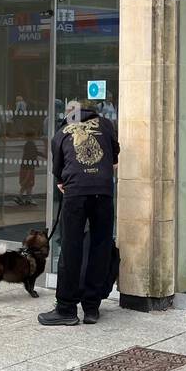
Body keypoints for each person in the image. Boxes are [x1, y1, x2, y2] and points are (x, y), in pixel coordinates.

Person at [38, 100, 119, 326]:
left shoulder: (62, 131)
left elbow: (58, 171)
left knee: (71, 248)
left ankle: (66, 309)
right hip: (103, 192)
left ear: (69, 115)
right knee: (100, 246)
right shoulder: (105, 124)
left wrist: (64, 182)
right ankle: (91, 308)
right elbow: (114, 156)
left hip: (76, 194)